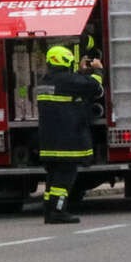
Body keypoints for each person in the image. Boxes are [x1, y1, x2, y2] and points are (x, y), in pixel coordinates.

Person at [38, 44, 103, 223]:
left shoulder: (45, 81)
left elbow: (73, 85)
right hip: (66, 139)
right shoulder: (68, 81)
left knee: (52, 179)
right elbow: (95, 88)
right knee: (64, 178)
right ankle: (58, 212)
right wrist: (97, 71)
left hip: (48, 141)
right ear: (66, 60)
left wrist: (81, 73)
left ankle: (49, 211)